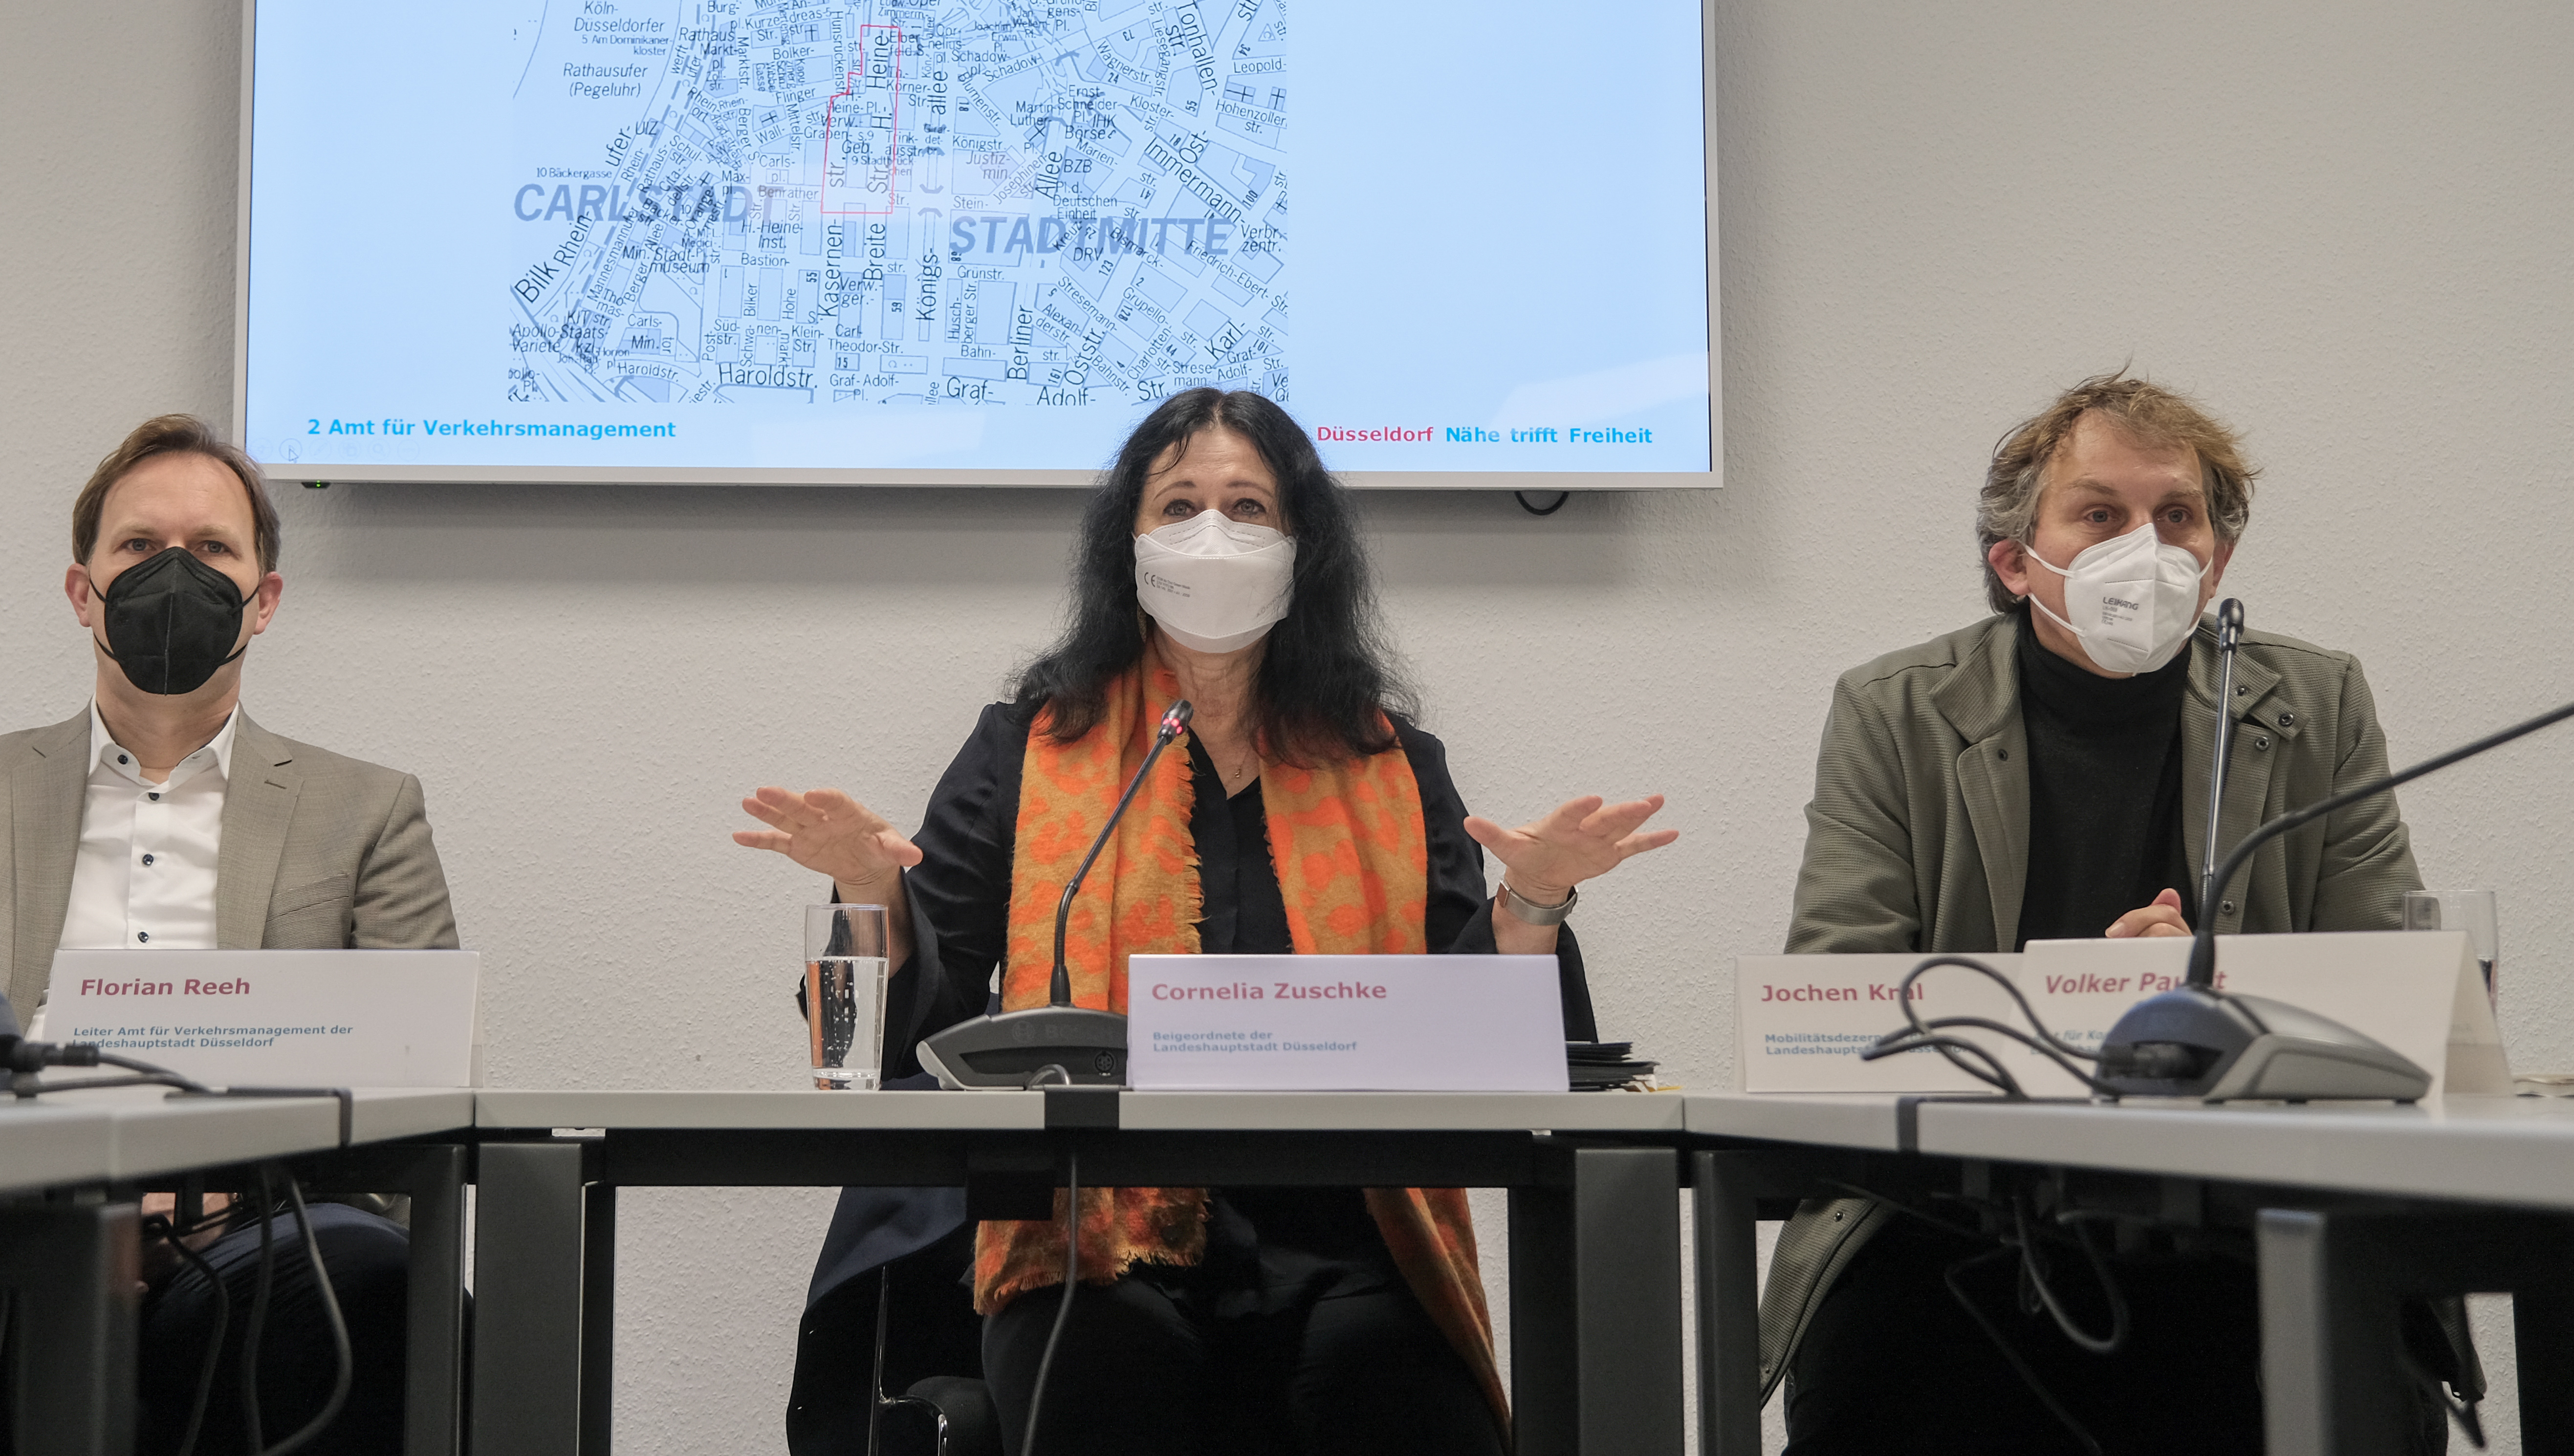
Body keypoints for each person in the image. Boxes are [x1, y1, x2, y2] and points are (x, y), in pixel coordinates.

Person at [741, 388, 1676, 1456]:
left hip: (1351, 1241)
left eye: (1248, 506)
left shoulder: (1390, 766)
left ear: (1300, 543)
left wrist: (1534, 900)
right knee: (1105, 1378)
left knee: (1409, 1403)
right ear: (1127, 543)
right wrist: (871, 891)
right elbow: (908, 1038)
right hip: (1087, 1239)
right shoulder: (1030, 749)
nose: (1213, 533)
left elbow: (1473, 1033)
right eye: (1178, 505)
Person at [1765, 373, 2443, 1453]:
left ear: (2217, 556)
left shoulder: (2314, 703)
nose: (2149, 546)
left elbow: (2392, 999)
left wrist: (2214, 990)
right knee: (1886, 1380)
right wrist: (2083, 1000)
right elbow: (1835, 997)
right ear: (2013, 559)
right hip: (1958, 1221)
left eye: (2177, 516)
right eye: (2099, 515)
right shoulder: (1893, 709)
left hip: (2253, 1219)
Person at [0, 413, 457, 1456]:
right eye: (137, 548)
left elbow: (421, 1075)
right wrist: (48, 1206)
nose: (173, 576)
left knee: (365, 1275)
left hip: (264, 1231)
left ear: (264, 602)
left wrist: (214, 1193)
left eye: (213, 550)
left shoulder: (368, 809)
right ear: (82, 590)